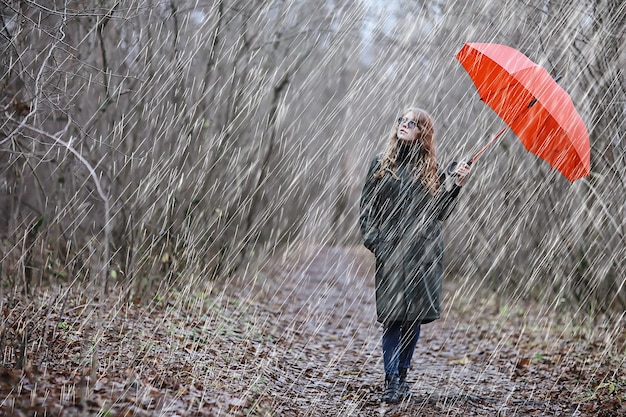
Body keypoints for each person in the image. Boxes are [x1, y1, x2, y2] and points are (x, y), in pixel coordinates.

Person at [359, 107, 471, 404]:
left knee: (413, 320)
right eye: (402, 121)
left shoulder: (431, 170)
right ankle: (391, 380)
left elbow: (440, 213)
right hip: (393, 252)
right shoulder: (381, 165)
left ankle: (403, 376)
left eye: (412, 123)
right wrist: (378, 245)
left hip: (424, 254)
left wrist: (456, 184)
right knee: (393, 319)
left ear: (423, 132)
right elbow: (367, 210)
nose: (404, 126)